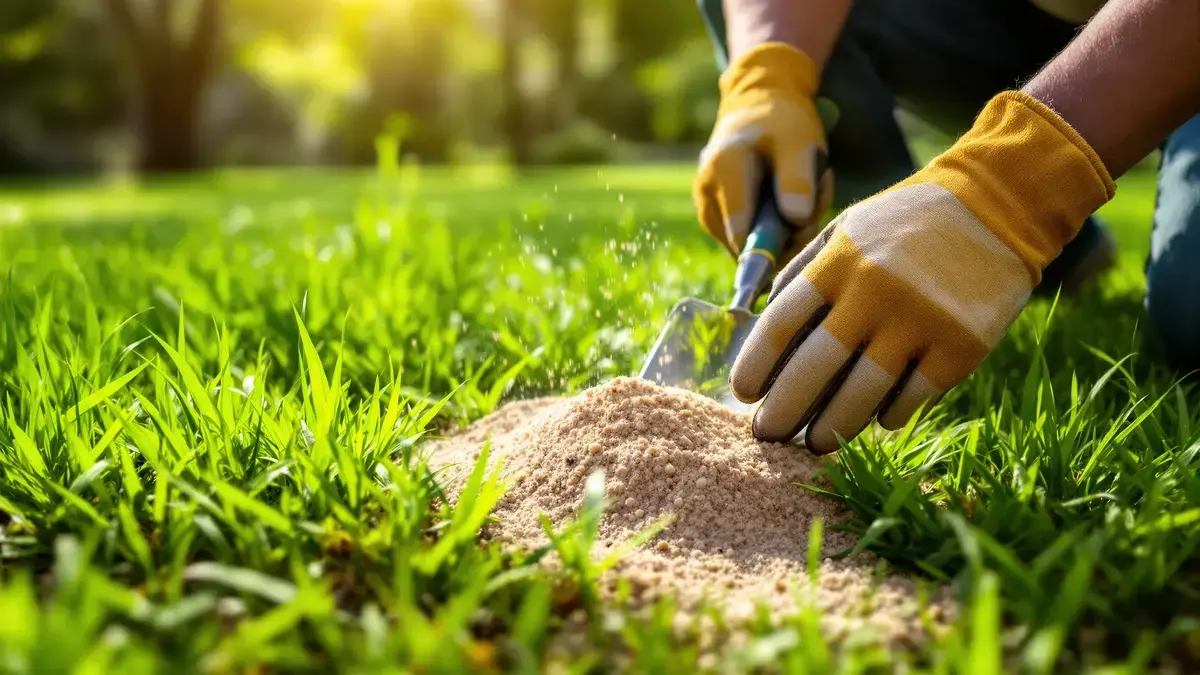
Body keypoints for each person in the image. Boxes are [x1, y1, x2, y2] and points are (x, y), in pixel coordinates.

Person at [691, 0, 1200, 453]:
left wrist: (1010, 191)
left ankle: (993, 233)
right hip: (991, 22)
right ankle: (1043, 256)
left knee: (1194, 309)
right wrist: (767, 77)